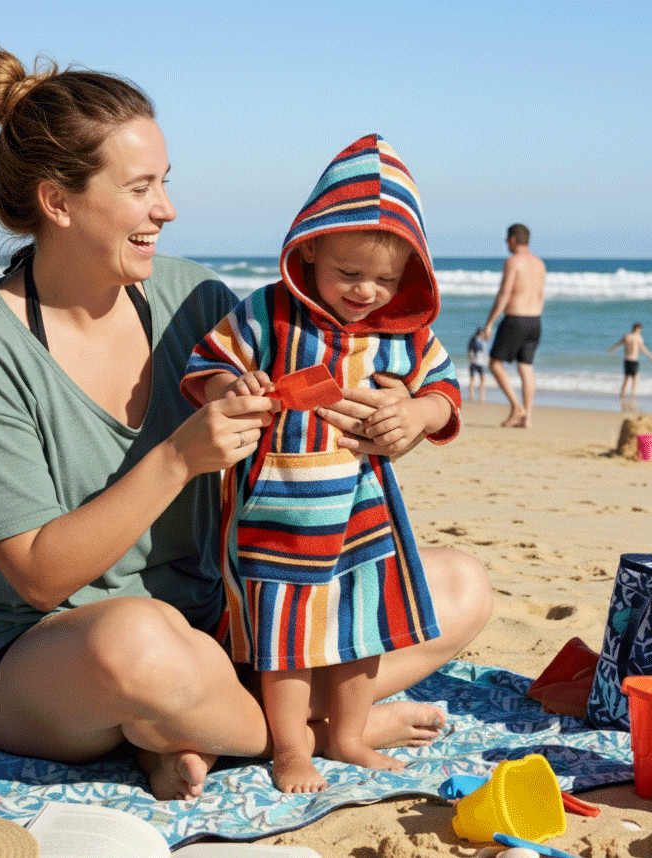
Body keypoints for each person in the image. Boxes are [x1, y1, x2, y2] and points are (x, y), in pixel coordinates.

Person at [0, 48, 492, 803]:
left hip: (225, 634)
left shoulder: (198, 299)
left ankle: (190, 732)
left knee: (458, 586)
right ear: (58, 202)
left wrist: (402, 414)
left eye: (166, 183)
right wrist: (177, 458)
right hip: (54, 656)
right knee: (136, 645)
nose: (167, 209)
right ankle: (315, 733)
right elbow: (37, 577)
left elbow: (341, 368)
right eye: (141, 188)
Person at [181, 135, 462, 793]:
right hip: (278, 514)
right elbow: (209, 366)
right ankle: (290, 751)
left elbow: (444, 392)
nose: (366, 291)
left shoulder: (401, 332)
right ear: (309, 246)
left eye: (386, 279)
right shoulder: (267, 314)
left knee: (362, 631)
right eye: (350, 273)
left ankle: (349, 735)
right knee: (287, 641)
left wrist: (418, 417)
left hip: (365, 512)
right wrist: (234, 391)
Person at [483, 224, 546, 428]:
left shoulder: (513, 262)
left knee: (494, 363)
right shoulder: (540, 264)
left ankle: (517, 407)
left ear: (513, 240)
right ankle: (527, 417)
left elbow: (504, 294)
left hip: (515, 319)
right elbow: (540, 295)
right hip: (535, 320)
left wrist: (490, 323)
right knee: (526, 367)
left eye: (506, 240)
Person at [608, 323, 652, 411]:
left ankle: (622, 394)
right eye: (640, 330)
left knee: (626, 378)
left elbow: (618, 344)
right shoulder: (638, 338)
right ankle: (632, 397)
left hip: (626, 360)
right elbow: (643, 349)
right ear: (638, 329)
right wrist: (651, 356)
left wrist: (612, 349)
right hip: (634, 360)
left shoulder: (626, 336)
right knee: (635, 379)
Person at [467, 327, 488, 401]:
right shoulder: (474, 340)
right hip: (474, 362)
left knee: (482, 378)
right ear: (481, 333)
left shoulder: (482, 341)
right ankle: (471, 395)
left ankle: (482, 396)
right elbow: (470, 351)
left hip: (481, 363)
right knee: (472, 378)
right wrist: (471, 360)